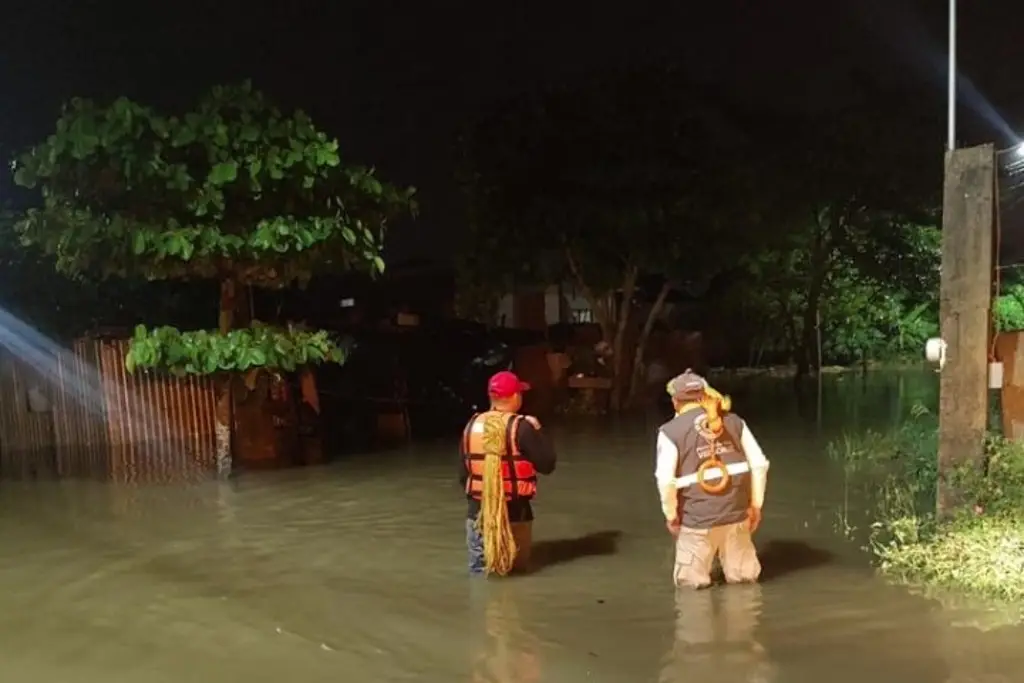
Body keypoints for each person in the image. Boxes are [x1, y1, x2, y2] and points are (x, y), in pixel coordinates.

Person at [654, 370, 770, 588]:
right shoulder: (735, 422)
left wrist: (671, 515)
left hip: (696, 519)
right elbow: (760, 465)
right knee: (745, 585)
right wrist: (755, 505)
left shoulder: (670, 431)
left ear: (675, 401)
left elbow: (665, 481)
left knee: (691, 589)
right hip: (736, 515)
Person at [460, 370, 557, 576]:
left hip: (477, 516)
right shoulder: (523, 428)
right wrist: (538, 431)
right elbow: (548, 464)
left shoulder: (471, 426)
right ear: (514, 397)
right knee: (514, 578)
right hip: (514, 516)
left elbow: (463, 475)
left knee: (479, 577)